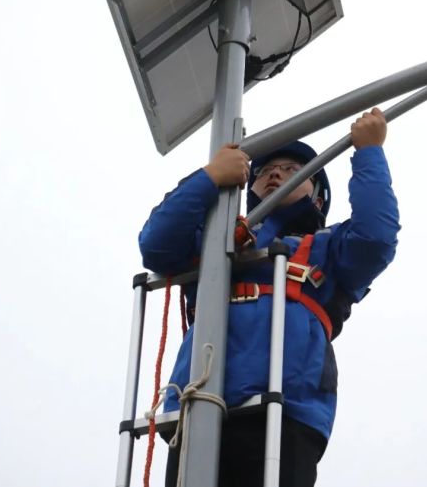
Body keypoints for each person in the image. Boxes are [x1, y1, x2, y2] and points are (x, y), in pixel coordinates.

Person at [138, 108, 401, 487]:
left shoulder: (328, 248)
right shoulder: (218, 243)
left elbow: (376, 238)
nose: (275, 172)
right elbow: (156, 244)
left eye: (293, 169)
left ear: (318, 197)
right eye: (264, 170)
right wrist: (210, 178)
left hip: (286, 410)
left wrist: (369, 152)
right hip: (198, 403)